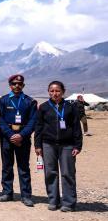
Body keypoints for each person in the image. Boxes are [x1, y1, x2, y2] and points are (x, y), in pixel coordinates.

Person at [35, 81, 83, 212]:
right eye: (52, 91)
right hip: (48, 144)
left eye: (57, 91)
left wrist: (77, 146)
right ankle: (53, 200)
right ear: (48, 92)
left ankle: (68, 202)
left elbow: (76, 127)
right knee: (50, 173)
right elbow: (38, 127)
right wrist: (37, 145)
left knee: (68, 173)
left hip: (67, 145)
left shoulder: (70, 107)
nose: (55, 93)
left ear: (63, 92)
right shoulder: (44, 107)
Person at [0, 74, 37, 206]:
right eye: (14, 83)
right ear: (10, 85)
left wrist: (21, 135)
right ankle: (7, 192)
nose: (17, 86)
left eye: (19, 84)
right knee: (7, 166)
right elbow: (0, 119)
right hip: (7, 138)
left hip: (23, 138)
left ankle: (26, 196)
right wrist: (10, 135)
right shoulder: (3, 100)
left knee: (23, 167)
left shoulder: (30, 101)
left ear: (23, 85)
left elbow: (33, 121)